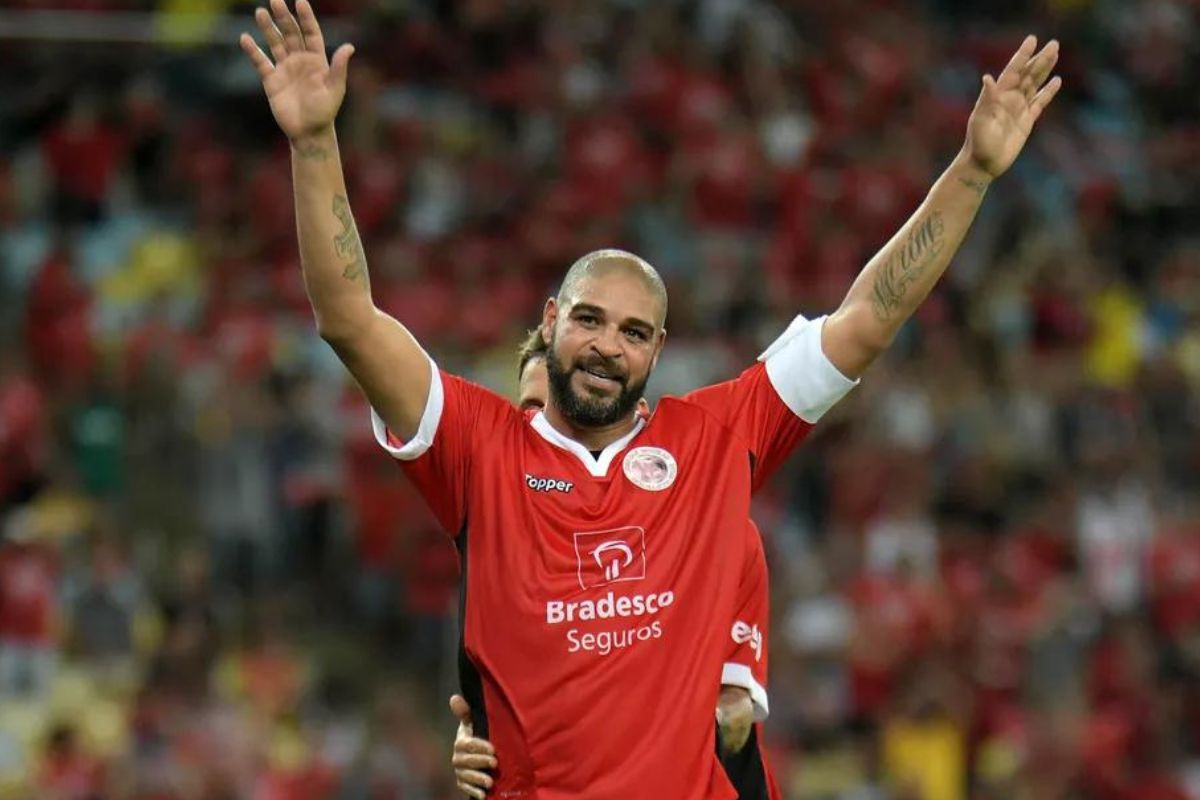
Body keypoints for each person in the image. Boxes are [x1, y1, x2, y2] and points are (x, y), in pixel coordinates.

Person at [240, 3, 1060, 795]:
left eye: (634, 332)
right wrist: (315, 143)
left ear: (657, 352)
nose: (608, 345)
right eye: (590, 319)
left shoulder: (716, 435)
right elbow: (348, 320)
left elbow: (869, 319)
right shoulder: (479, 449)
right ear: (552, 321)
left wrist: (974, 172)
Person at [448, 333, 779, 799]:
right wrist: (479, 738)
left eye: (557, 409)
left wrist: (618, 738)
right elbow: (495, 703)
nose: (546, 428)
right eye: (529, 411)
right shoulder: (495, 545)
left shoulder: (715, 536)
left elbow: (735, 714)